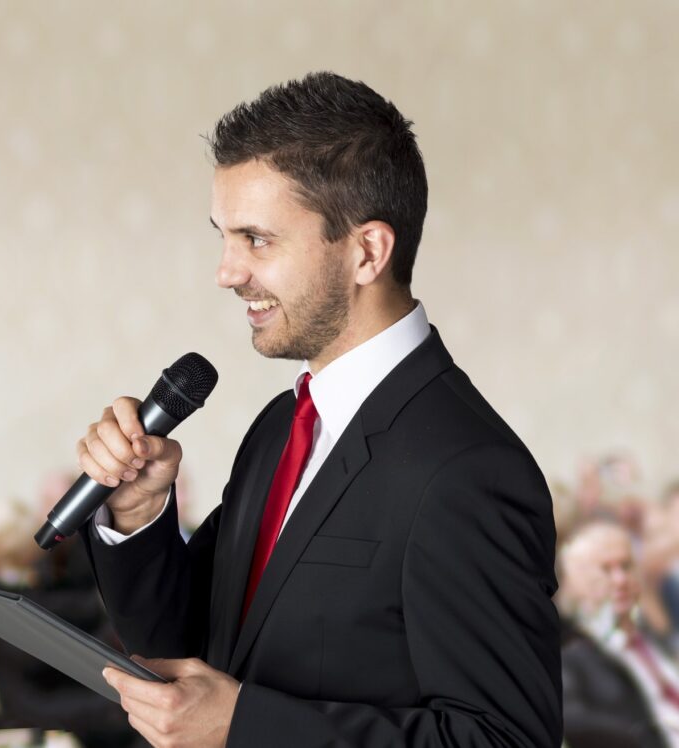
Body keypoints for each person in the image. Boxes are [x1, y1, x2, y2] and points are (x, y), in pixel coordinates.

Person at [75, 72, 561, 747]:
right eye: (224, 236)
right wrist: (136, 513)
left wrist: (247, 725)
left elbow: (504, 740)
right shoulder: (281, 428)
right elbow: (184, 649)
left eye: (257, 239)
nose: (227, 271)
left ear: (366, 252)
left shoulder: (468, 471)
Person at [558, 521, 676, 747]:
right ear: (574, 581)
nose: (620, 580)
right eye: (605, 569)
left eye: (626, 566)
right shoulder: (569, 655)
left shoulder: (651, 637)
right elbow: (572, 720)